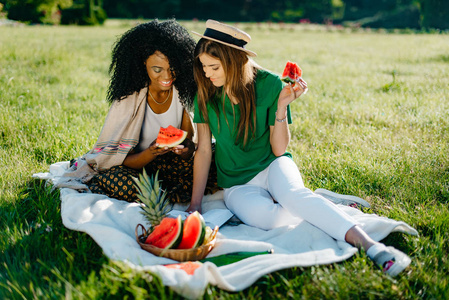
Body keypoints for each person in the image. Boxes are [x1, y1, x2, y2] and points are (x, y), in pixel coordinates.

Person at [186, 19, 411, 276]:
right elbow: (203, 150)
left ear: (234, 61)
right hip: (237, 183)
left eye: (213, 67)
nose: (206, 73)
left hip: (273, 165)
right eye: (203, 66)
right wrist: (196, 204)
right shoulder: (205, 94)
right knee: (271, 220)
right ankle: (322, 203)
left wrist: (282, 106)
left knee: (294, 196)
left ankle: (372, 247)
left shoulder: (270, 84)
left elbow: (279, 150)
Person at [78, 19, 219, 203]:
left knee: (217, 161)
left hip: (170, 166)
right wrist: (150, 153)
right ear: (144, 63)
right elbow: (118, 158)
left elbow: (189, 144)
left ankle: (163, 191)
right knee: (126, 185)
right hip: (135, 168)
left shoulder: (180, 93)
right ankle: (170, 191)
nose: (167, 76)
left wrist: (184, 151)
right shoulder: (129, 101)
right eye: (157, 69)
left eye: (172, 68)